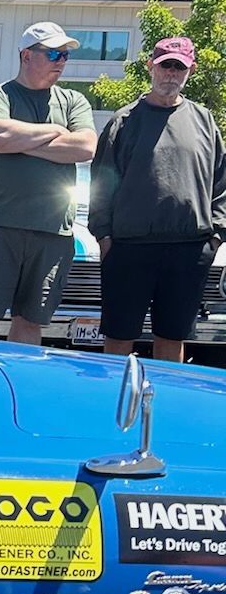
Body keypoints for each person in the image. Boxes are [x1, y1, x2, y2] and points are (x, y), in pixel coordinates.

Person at [89, 36, 226, 364]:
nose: (171, 74)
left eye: (179, 67)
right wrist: (105, 237)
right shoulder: (124, 120)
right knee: (120, 336)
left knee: (172, 336)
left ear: (189, 71)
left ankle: (162, 408)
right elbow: (101, 183)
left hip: (188, 249)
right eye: (166, 65)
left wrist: (216, 235)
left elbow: (221, 181)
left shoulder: (204, 120)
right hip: (129, 248)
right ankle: (116, 405)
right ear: (152, 66)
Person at [0, 21, 97, 344]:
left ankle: (18, 390)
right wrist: (57, 132)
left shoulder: (74, 101)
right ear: (26, 56)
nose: (60, 62)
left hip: (51, 233)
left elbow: (86, 147)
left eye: (64, 56)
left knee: (30, 324)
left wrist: (23, 141)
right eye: (52, 54)